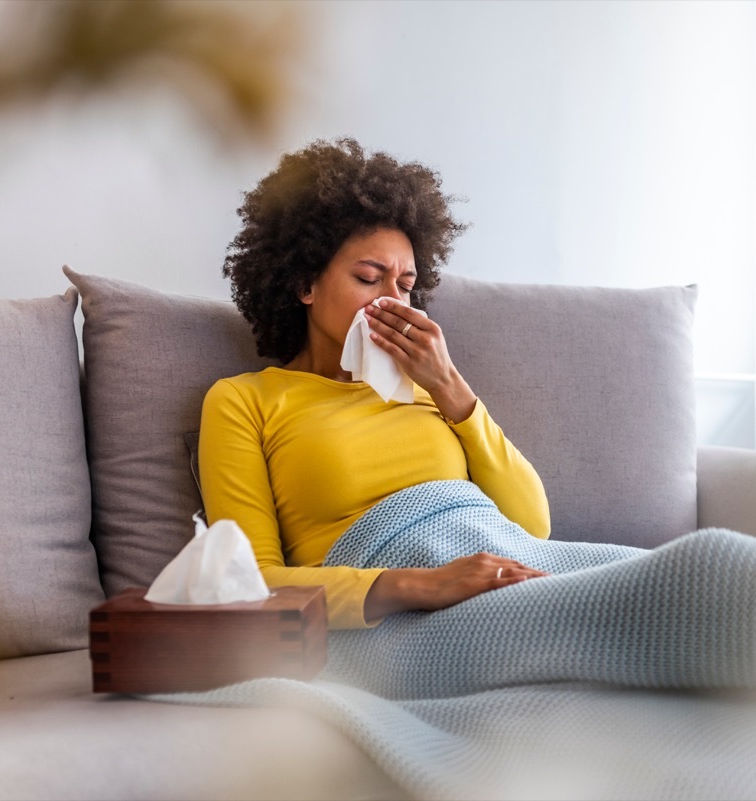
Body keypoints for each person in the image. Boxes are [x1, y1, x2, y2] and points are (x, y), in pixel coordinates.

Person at [199, 137, 550, 630]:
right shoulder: (244, 401)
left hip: (511, 575)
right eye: (369, 277)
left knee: (696, 568)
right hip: (402, 619)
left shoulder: (431, 389)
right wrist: (421, 585)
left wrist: (450, 385)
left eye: (406, 286)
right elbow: (249, 583)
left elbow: (532, 527)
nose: (393, 301)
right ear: (305, 285)